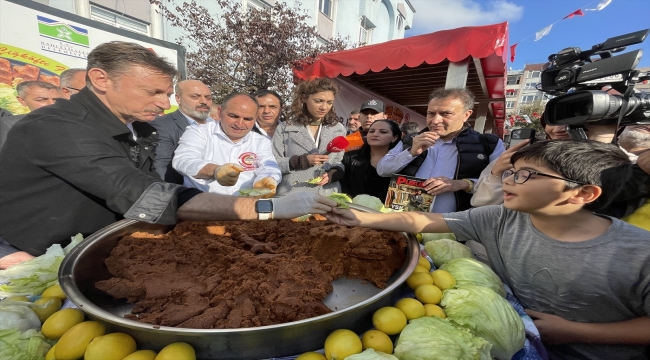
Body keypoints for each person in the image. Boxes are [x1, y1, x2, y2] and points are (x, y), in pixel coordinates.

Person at [0, 41, 336, 269]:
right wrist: (269, 207)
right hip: (36, 258)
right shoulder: (57, 127)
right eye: (154, 92)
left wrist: (237, 232)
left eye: (166, 93)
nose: (165, 103)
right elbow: (143, 195)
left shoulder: (141, 129)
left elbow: (155, 195)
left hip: (99, 250)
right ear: (101, 80)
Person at [326, 139, 650, 360]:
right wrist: (358, 217)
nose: (508, 180)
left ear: (582, 194)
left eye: (526, 175)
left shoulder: (637, 253)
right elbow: (425, 220)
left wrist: (575, 332)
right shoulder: (500, 218)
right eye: (510, 171)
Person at [377, 88, 504, 213]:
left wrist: (462, 184)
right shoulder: (411, 139)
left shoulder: (488, 144)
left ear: (466, 115)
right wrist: (410, 153)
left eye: (445, 113)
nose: (435, 120)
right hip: (404, 220)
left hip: (453, 227)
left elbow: (499, 185)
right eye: (431, 113)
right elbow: (382, 170)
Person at [172, 92, 281, 196]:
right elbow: (183, 160)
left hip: (244, 206)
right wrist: (215, 171)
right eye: (234, 116)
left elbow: (269, 166)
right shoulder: (198, 132)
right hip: (203, 205)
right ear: (219, 112)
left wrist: (268, 179)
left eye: (247, 119)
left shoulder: (261, 141)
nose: (240, 124)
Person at [272, 78, 346, 196]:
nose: (324, 107)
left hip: (328, 194)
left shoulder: (338, 128)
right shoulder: (285, 127)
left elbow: (338, 161)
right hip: (292, 193)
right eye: (318, 101)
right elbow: (273, 163)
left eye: (329, 102)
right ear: (304, 98)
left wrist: (333, 173)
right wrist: (301, 161)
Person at [150, 79, 214, 184]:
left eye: (208, 97)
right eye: (195, 97)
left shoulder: (217, 125)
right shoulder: (163, 125)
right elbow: (162, 169)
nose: (204, 101)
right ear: (178, 99)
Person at [340, 120, 401, 200]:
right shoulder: (349, 157)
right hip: (352, 209)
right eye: (371, 131)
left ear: (394, 137)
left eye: (383, 132)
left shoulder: (402, 162)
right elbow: (342, 185)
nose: (375, 134)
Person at [0, 81, 63, 149]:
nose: (52, 104)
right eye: (41, 100)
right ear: (22, 101)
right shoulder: (12, 124)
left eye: (56, 100)